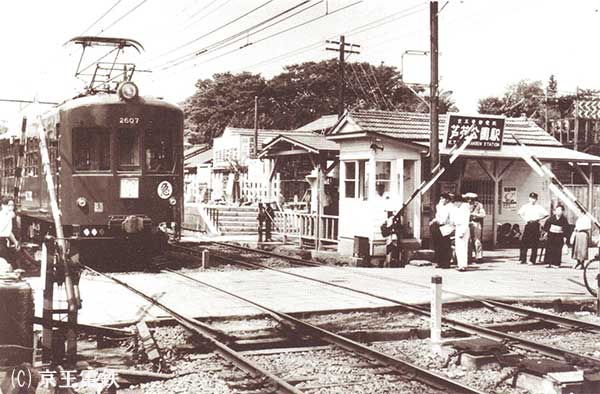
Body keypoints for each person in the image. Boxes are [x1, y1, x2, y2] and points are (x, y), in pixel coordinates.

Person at [518, 192, 549, 265]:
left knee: (534, 243)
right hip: (528, 224)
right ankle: (523, 259)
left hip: (535, 225)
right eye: (531, 198)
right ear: (529, 198)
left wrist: (539, 219)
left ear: (536, 199)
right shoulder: (525, 206)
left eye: (534, 198)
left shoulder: (538, 207)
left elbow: (546, 214)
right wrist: (525, 219)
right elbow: (519, 213)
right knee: (524, 242)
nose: (533, 200)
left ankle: (532, 260)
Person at [429, 193, 452, 269]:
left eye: (443, 198)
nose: (441, 200)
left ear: (447, 200)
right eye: (440, 198)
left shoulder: (450, 207)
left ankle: (446, 263)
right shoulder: (440, 206)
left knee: (445, 245)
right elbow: (437, 216)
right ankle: (439, 262)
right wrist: (433, 221)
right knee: (438, 245)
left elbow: (445, 219)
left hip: (446, 227)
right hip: (438, 226)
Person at [449, 194, 471, 271]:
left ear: (458, 201)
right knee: (458, 248)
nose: (454, 204)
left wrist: (462, 232)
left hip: (463, 228)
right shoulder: (458, 208)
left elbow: (465, 221)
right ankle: (460, 264)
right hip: (458, 227)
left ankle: (463, 265)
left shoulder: (465, 208)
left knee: (462, 247)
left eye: (454, 202)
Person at [465, 192, 486, 263]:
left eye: (469, 198)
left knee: (477, 240)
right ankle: (468, 256)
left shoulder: (479, 205)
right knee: (468, 240)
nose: (468, 200)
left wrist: (473, 214)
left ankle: (479, 256)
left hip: (475, 222)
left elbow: (483, 214)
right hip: (466, 223)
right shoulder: (465, 205)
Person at [0, 196, 19, 268]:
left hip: (3, 242)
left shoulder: (8, 215)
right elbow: (1, 229)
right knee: (10, 263)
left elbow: (8, 231)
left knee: (13, 262)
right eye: (9, 205)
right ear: (3, 205)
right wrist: (9, 218)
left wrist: (15, 241)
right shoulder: (1, 215)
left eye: (12, 205)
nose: (11, 208)